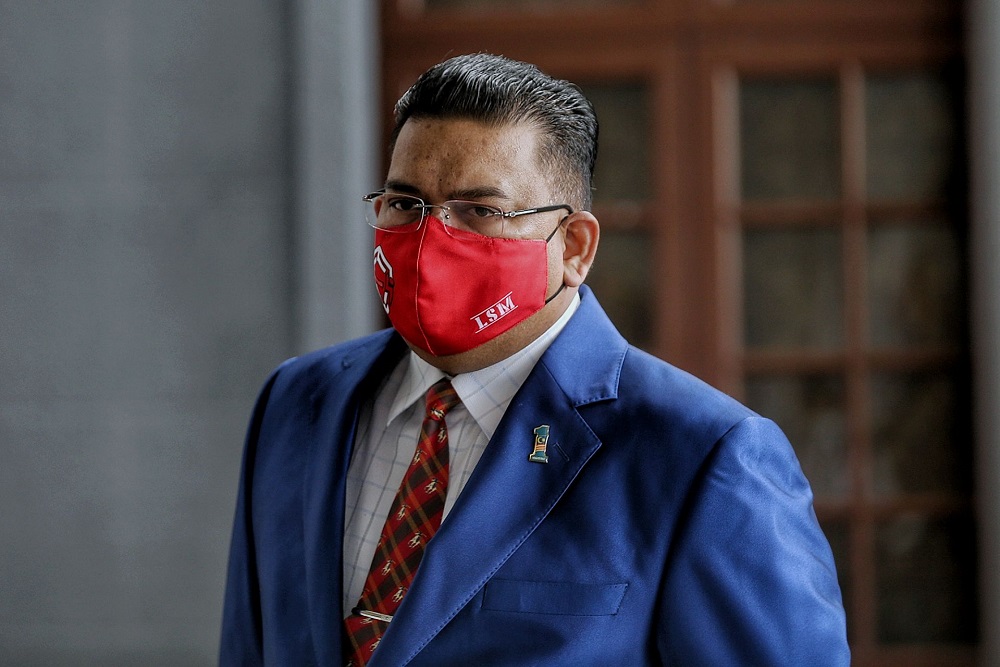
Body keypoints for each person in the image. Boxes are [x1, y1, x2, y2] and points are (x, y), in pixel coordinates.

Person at [220, 53, 849, 666]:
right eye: (405, 203)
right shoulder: (296, 403)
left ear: (574, 247)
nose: (430, 238)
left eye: (480, 211)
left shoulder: (703, 454)